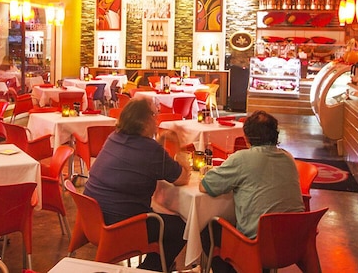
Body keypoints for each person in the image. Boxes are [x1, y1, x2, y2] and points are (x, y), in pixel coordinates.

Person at [84, 98, 191, 271]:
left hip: (93, 221)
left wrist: (160, 143)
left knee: (162, 217)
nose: (156, 120)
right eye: (154, 115)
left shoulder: (114, 137)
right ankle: (149, 269)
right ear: (144, 121)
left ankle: (160, 265)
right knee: (182, 227)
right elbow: (182, 178)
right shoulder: (150, 150)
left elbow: (141, 158)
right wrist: (179, 146)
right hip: (123, 228)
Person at [199, 110, 305, 273]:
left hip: (257, 244)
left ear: (247, 137)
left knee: (210, 229)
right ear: (275, 135)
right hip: (293, 241)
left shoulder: (242, 159)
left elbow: (205, 186)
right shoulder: (288, 158)